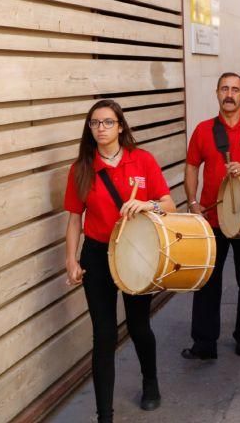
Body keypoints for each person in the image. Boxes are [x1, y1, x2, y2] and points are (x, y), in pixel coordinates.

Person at [64, 99, 176, 423]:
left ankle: (150, 382)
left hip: (136, 252)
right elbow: (74, 219)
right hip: (98, 255)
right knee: (104, 335)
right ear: (89, 129)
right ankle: (105, 415)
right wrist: (71, 260)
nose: (101, 128)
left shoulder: (142, 160)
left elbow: (167, 203)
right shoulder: (81, 168)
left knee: (139, 325)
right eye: (95, 123)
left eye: (108, 122)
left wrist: (147, 205)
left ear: (121, 126)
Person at [182, 73, 240, 361]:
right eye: (224, 89)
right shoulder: (203, 129)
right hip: (211, 217)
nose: (229, 94)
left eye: (235, 89)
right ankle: (204, 343)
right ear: (217, 93)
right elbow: (191, 167)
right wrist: (193, 201)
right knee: (208, 280)